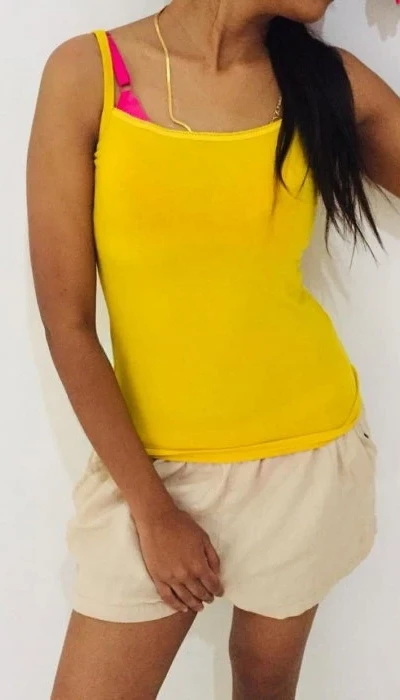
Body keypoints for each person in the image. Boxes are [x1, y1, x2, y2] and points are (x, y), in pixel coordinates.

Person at [27, 1, 400, 698]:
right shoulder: (88, 73)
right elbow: (67, 323)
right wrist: (152, 511)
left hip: (305, 463)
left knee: (264, 688)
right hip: (151, 474)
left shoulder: (322, 82)